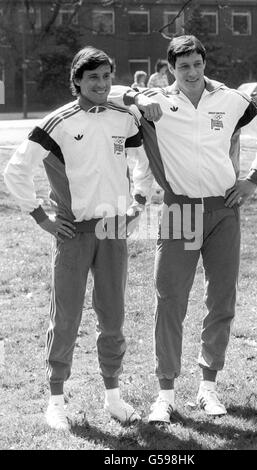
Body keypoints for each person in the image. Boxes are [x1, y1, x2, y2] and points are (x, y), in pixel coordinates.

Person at [113, 35, 257, 423]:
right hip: (180, 211)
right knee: (170, 298)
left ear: (205, 63)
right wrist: (140, 99)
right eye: (183, 66)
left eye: (197, 64)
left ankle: (208, 389)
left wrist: (253, 180)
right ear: (170, 67)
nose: (191, 73)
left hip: (224, 209)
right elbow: (112, 92)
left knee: (221, 300)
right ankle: (165, 394)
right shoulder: (155, 101)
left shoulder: (231, 99)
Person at [3, 46, 147, 430]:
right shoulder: (57, 122)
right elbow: (15, 170)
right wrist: (41, 217)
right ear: (77, 81)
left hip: (114, 230)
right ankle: (55, 400)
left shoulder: (124, 118)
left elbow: (143, 163)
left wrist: (139, 203)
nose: (101, 84)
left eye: (106, 77)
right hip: (73, 232)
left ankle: (113, 397)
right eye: (92, 78)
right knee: (66, 316)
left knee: (113, 315)